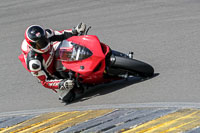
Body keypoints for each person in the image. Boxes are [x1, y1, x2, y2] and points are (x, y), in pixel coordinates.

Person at [18, 22, 86, 102]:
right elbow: (45, 82)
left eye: (44, 40)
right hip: (47, 69)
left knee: (73, 44)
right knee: (68, 96)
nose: (43, 44)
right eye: (39, 44)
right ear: (32, 46)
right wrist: (62, 83)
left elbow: (62, 34)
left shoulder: (47, 33)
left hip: (52, 50)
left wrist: (75, 31)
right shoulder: (34, 63)